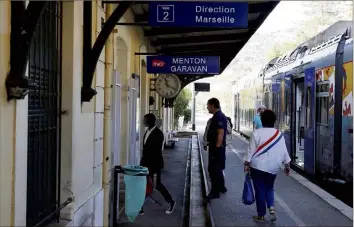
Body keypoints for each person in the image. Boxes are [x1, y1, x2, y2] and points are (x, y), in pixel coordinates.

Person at [243, 109, 291, 223]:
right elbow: (284, 151)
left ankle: (261, 215)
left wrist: (246, 163)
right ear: (274, 121)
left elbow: (250, 151)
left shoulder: (257, 133)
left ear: (262, 120)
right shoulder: (278, 134)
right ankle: (272, 208)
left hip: (258, 167)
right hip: (273, 167)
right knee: (269, 187)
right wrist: (287, 165)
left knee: (260, 190)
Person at [139, 113, 176, 215]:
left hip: (154, 165)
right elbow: (146, 150)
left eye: (145, 120)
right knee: (142, 185)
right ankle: (140, 207)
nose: (144, 122)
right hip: (145, 165)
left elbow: (155, 152)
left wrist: (148, 166)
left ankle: (171, 202)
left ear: (151, 121)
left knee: (157, 185)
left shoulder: (158, 134)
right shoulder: (148, 131)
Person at [206, 98, 228, 199]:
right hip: (217, 148)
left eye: (208, 105)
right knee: (218, 169)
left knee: (213, 170)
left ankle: (215, 192)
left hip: (216, 148)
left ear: (213, 105)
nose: (207, 107)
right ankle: (221, 187)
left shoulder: (218, 117)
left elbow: (220, 133)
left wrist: (217, 148)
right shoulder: (217, 116)